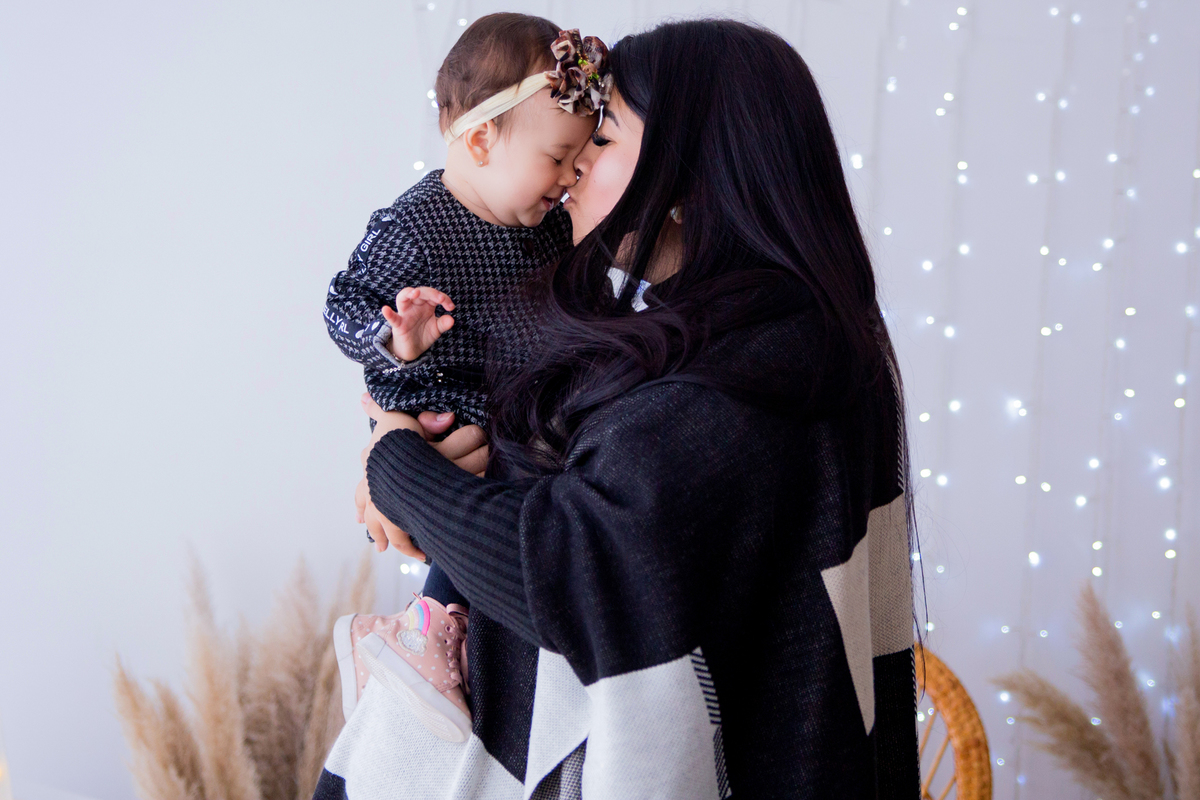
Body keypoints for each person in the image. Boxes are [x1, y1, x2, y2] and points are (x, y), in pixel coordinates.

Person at [317, 18, 920, 800]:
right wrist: (449, 456)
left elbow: (567, 570)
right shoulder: (756, 336)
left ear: (690, 177)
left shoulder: (754, 371)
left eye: (600, 142)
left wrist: (394, 462)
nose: (571, 172)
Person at [321, 14, 608, 740]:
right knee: (470, 518)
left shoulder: (547, 226)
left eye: (582, 158)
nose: (573, 176)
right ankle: (420, 639)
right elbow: (340, 302)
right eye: (559, 157)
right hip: (434, 406)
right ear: (480, 140)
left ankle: (426, 635)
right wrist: (396, 337)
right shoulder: (418, 225)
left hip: (504, 413)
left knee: (502, 522)